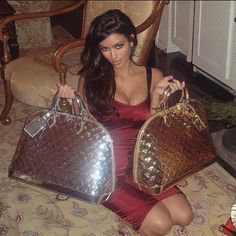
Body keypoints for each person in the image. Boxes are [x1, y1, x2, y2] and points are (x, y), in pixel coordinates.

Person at [58, 9, 193, 236]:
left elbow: (155, 131)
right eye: (105, 49)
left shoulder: (153, 75)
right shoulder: (92, 80)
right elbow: (87, 130)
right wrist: (71, 104)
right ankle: (115, 197)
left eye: (118, 46)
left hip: (143, 162)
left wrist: (161, 98)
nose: (113, 56)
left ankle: (136, 197)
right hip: (108, 168)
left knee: (184, 216)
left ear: (131, 40)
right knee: (161, 224)